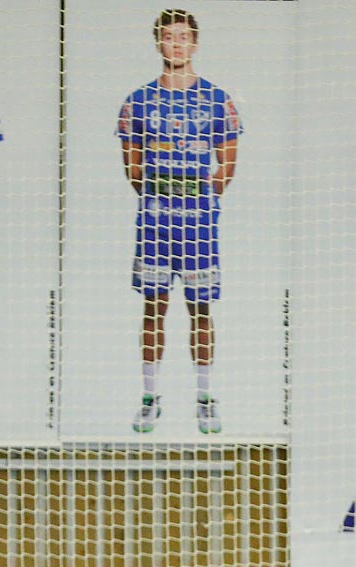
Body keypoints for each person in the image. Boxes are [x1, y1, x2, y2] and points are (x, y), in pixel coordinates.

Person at [117, 9, 240, 436]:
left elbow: (227, 164)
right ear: (158, 43)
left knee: (200, 309)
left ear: (195, 43)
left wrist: (199, 202)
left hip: (199, 226)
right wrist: (161, 198)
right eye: (168, 37)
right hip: (155, 224)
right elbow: (132, 166)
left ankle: (205, 399)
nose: (176, 44)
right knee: (154, 308)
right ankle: (150, 399)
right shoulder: (138, 101)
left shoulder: (217, 100)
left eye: (183, 37)